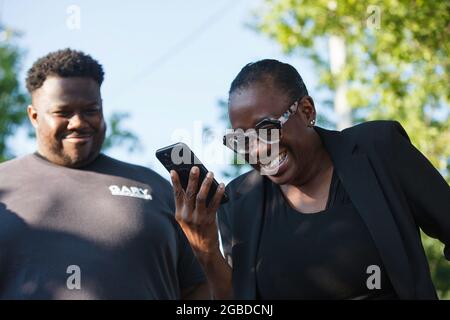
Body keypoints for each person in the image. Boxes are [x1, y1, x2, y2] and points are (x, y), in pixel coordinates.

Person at [171, 59, 450, 299]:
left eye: (267, 128)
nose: (256, 149)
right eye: (241, 139)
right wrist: (206, 251)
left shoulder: (377, 150)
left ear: (307, 111)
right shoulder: (240, 203)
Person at [0, 48, 208, 300]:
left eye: (90, 110)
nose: (78, 122)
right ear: (33, 116)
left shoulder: (156, 187)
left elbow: (198, 288)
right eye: (63, 112)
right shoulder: (4, 187)